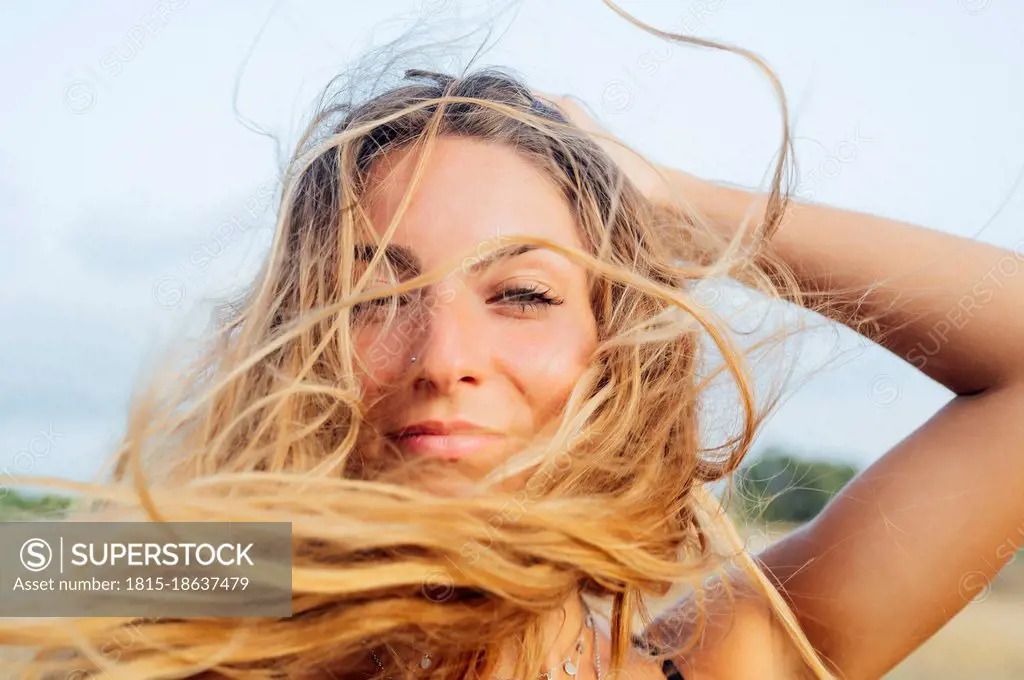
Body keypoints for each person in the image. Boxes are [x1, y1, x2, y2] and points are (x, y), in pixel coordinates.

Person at [5, 16, 1024, 680]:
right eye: (375, 293)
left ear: (612, 354)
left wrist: (683, 208)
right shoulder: (189, 594)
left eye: (524, 290)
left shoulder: (719, 661)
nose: (442, 352)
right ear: (297, 342)